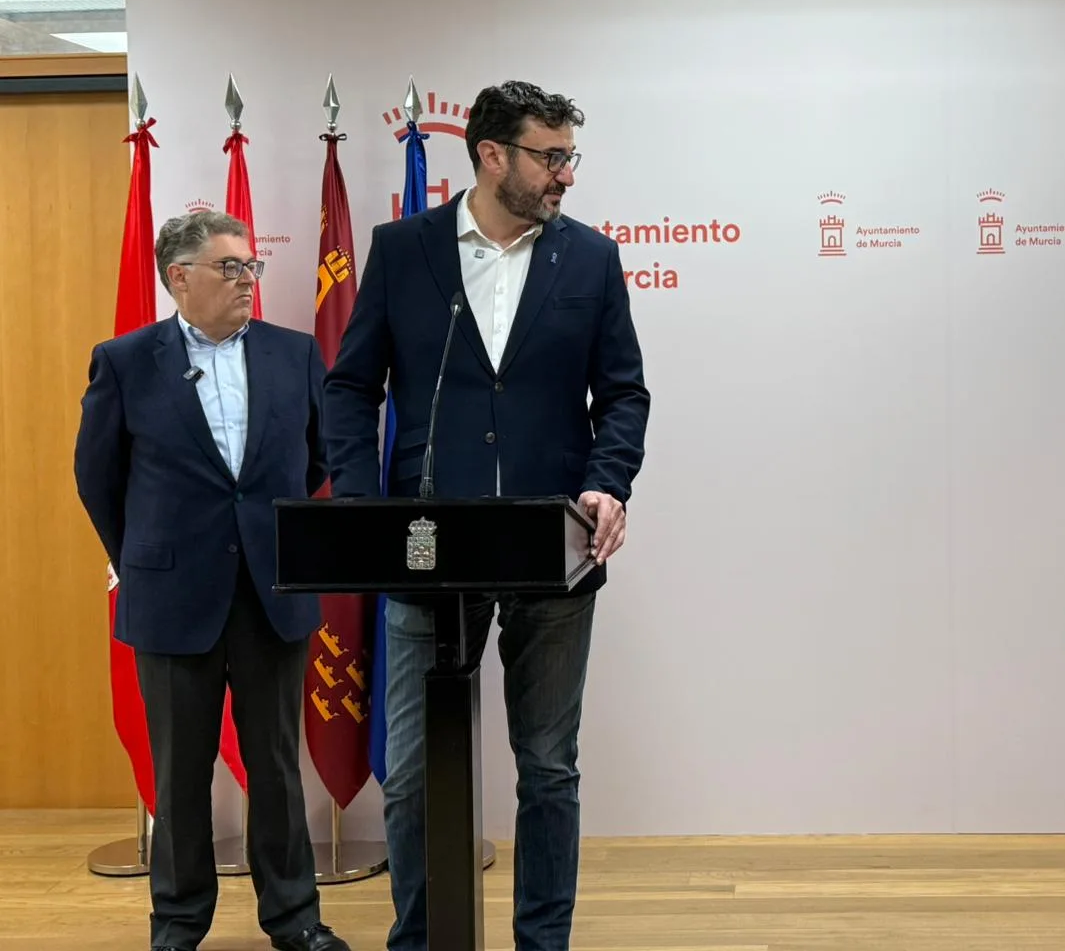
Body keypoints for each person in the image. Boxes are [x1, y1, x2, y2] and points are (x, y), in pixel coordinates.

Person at [322, 80, 650, 951]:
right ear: (491, 155)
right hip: (424, 543)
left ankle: (542, 943)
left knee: (547, 768)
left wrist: (607, 483)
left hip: (555, 544)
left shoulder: (591, 258)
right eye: (551, 156)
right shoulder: (404, 250)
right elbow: (351, 388)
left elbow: (623, 393)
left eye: (570, 156)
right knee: (411, 774)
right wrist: (359, 504)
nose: (566, 175)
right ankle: (422, 939)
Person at [73, 210, 351, 951]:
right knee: (181, 773)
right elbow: (98, 477)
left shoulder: (294, 354)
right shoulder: (126, 361)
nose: (247, 280)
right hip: (171, 595)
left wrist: (259, 534)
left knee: (277, 767)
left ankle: (295, 919)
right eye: (231, 267)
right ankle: (177, 923)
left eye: (251, 265)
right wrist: (145, 556)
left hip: (271, 592)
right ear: (179, 278)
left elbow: (318, 458)